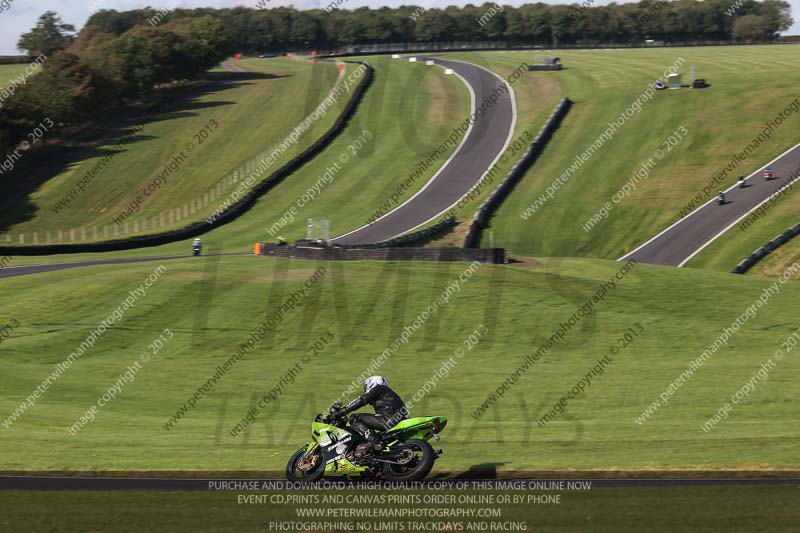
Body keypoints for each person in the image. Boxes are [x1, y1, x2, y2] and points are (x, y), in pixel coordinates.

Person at [331, 376, 408, 456]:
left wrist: (342, 411)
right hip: (397, 420)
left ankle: (372, 441)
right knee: (379, 437)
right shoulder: (387, 393)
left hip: (389, 419)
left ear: (371, 383)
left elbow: (362, 400)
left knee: (355, 418)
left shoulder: (379, 388)